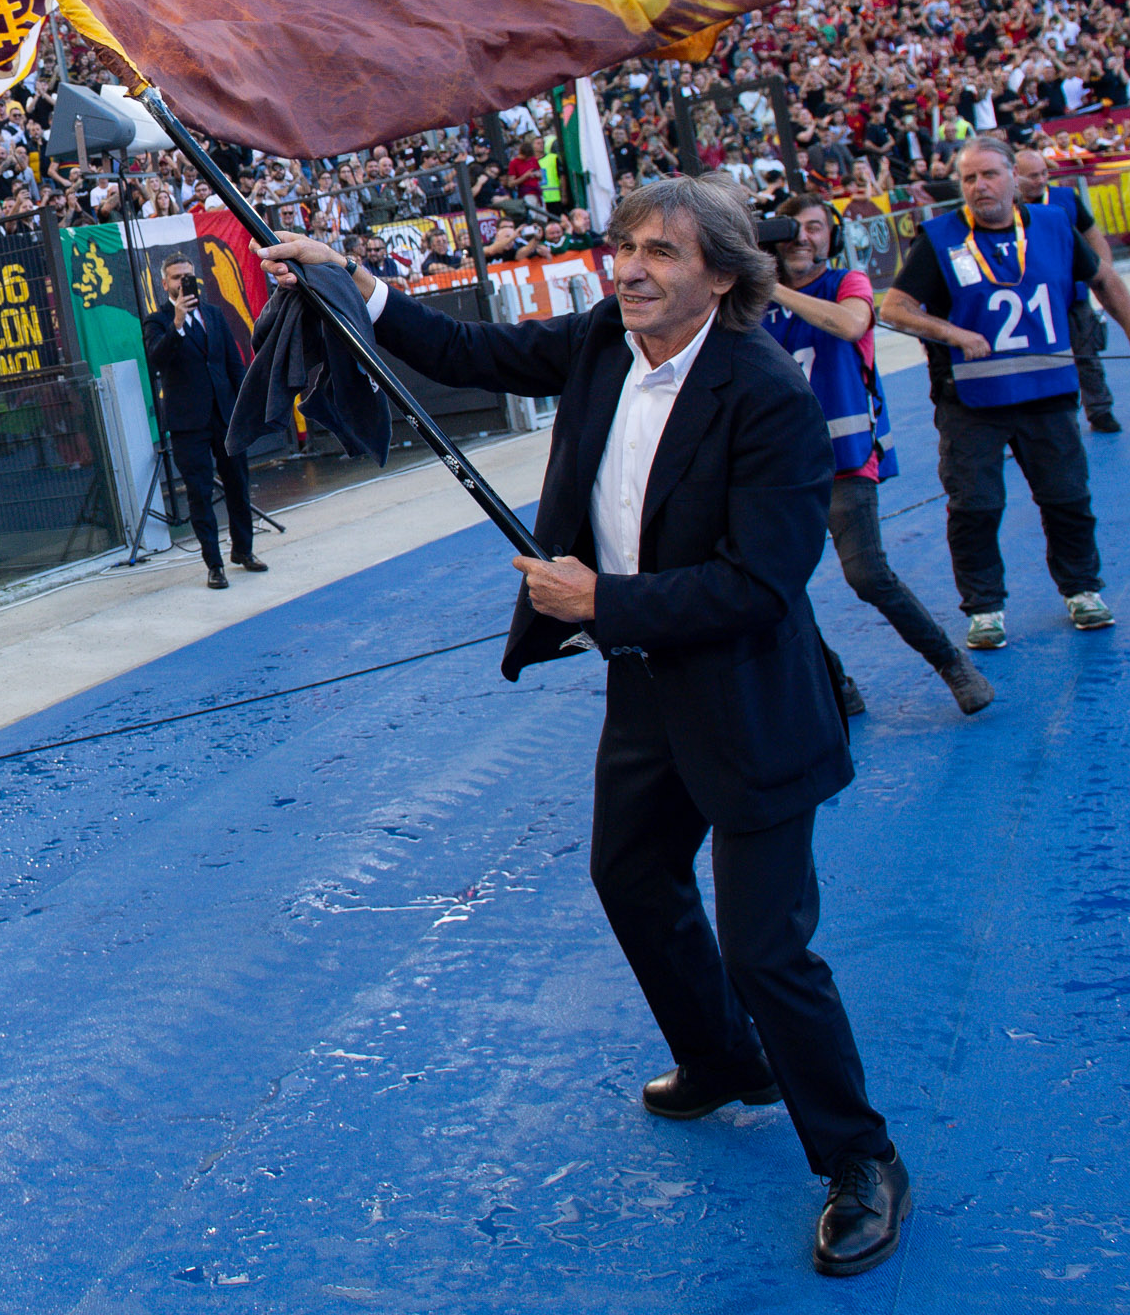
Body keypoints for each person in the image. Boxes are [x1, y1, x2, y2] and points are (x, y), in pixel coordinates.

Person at [264, 178, 912, 1278]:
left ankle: (862, 1159)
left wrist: (599, 601)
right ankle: (717, 1058)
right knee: (630, 874)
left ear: (722, 271)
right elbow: (472, 354)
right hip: (649, 690)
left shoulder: (768, 397)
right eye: (622, 245)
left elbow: (760, 584)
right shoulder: (605, 340)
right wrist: (351, 279)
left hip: (752, 702)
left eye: (660, 250)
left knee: (767, 949)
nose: (632, 267)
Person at [877, 137, 1130, 651]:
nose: (979, 186)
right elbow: (895, 308)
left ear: (1015, 178)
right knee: (975, 507)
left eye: (989, 174)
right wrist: (952, 333)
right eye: (968, 179)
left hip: (1047, 394)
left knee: (1068, 498)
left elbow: (1105, 279)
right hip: (971, 403)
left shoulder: (1054, 226)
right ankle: (985, 607)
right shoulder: (941, 237)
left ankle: (1082, 590)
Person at [761, 195, 993, 718]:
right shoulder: (749, 305)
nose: (802, 237)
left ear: (832, 237)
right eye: (791, 228)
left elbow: (849, 325)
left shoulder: (847, 284)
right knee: (775, 587)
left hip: (846, 458)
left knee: (867, 574)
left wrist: (769, 285)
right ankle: (835, 681)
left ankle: (951, 664)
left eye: (815, 227)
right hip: (778, 469)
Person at [1011, 147, 1130, 433]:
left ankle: (1100, 410)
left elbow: (1094, 237)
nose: (1040, 180)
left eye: (1044, 173)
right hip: (1030, 301)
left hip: (1072, 295)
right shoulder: (1006, 207)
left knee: (1087, 355)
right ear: (1015, 176)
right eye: (1032, 176)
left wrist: (1103, 273)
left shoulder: (1065, 199)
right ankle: (1036, 423)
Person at [143, 261, 260, 592]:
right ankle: (215, 564)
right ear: (164, 283)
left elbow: (232, 362)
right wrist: (178, 321)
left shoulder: (214, 314)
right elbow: (157, 358)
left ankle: (244, 550)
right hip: (188, 421)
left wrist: (243, 406)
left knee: (238, 482)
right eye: (177, 278)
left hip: (224, 414)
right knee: (200, 493)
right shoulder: (158, 320)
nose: (183, 283)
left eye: (188, 277)